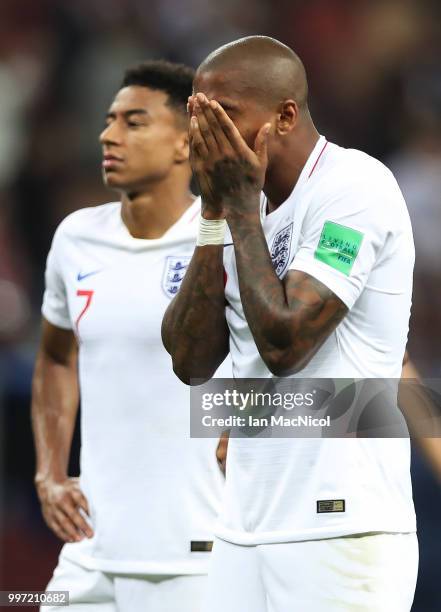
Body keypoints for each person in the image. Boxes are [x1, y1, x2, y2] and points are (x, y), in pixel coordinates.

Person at [162, 36, 418, 611]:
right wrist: (213, 215)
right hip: (241, 525)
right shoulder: (233, 203)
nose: (204, 134)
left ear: (284, 115)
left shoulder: (355, 189)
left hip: (341, 527)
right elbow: (190, 361)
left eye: (223, 114)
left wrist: (239, 209)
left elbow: (286, 342)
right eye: (197, 114)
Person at [32, 60, 225, 612]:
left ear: (185, 144)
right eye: (109, 120)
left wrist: (252, 420)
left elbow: (295, 366)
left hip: (197, 554)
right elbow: (55, 357)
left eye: (134, 122)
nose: (108, 135)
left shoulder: (227, 240)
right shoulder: (76, 237)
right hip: (90, 550)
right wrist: (50, 472)